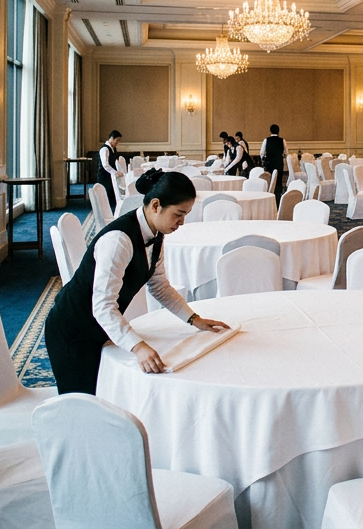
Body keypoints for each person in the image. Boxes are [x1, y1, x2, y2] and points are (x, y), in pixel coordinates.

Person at [44, 169, 230, 395]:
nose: (182, 222)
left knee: (109, 397)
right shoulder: (118, 241)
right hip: (72, 332)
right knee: (83, 407)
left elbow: (160, 287)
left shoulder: (155, 233)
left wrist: (194, 319)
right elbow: (102, 306)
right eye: (178, 214)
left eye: (186, 215)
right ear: (155, 205)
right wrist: (138, 346)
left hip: (101, 329)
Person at [96, 130, 123, 214]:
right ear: (111, 138)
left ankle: (112, 214)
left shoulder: (113, 148)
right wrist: (115, 172)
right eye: (117, 140)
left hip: (110, 176)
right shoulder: (105, 149)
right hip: (104, 176)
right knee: (105, 197)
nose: (117, 142)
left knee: (111, 197)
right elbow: (105, 165)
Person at [260, 124, 287, 196]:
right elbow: (286, 153)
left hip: (269, 163)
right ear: (278, 131)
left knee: (270, 180)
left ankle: (269, 195)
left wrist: (265, 159)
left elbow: (262, 153)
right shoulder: (282, 140)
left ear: (270, 131)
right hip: (279, 163)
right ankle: (278, 197)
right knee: (278, 181)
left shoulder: (266, 140)